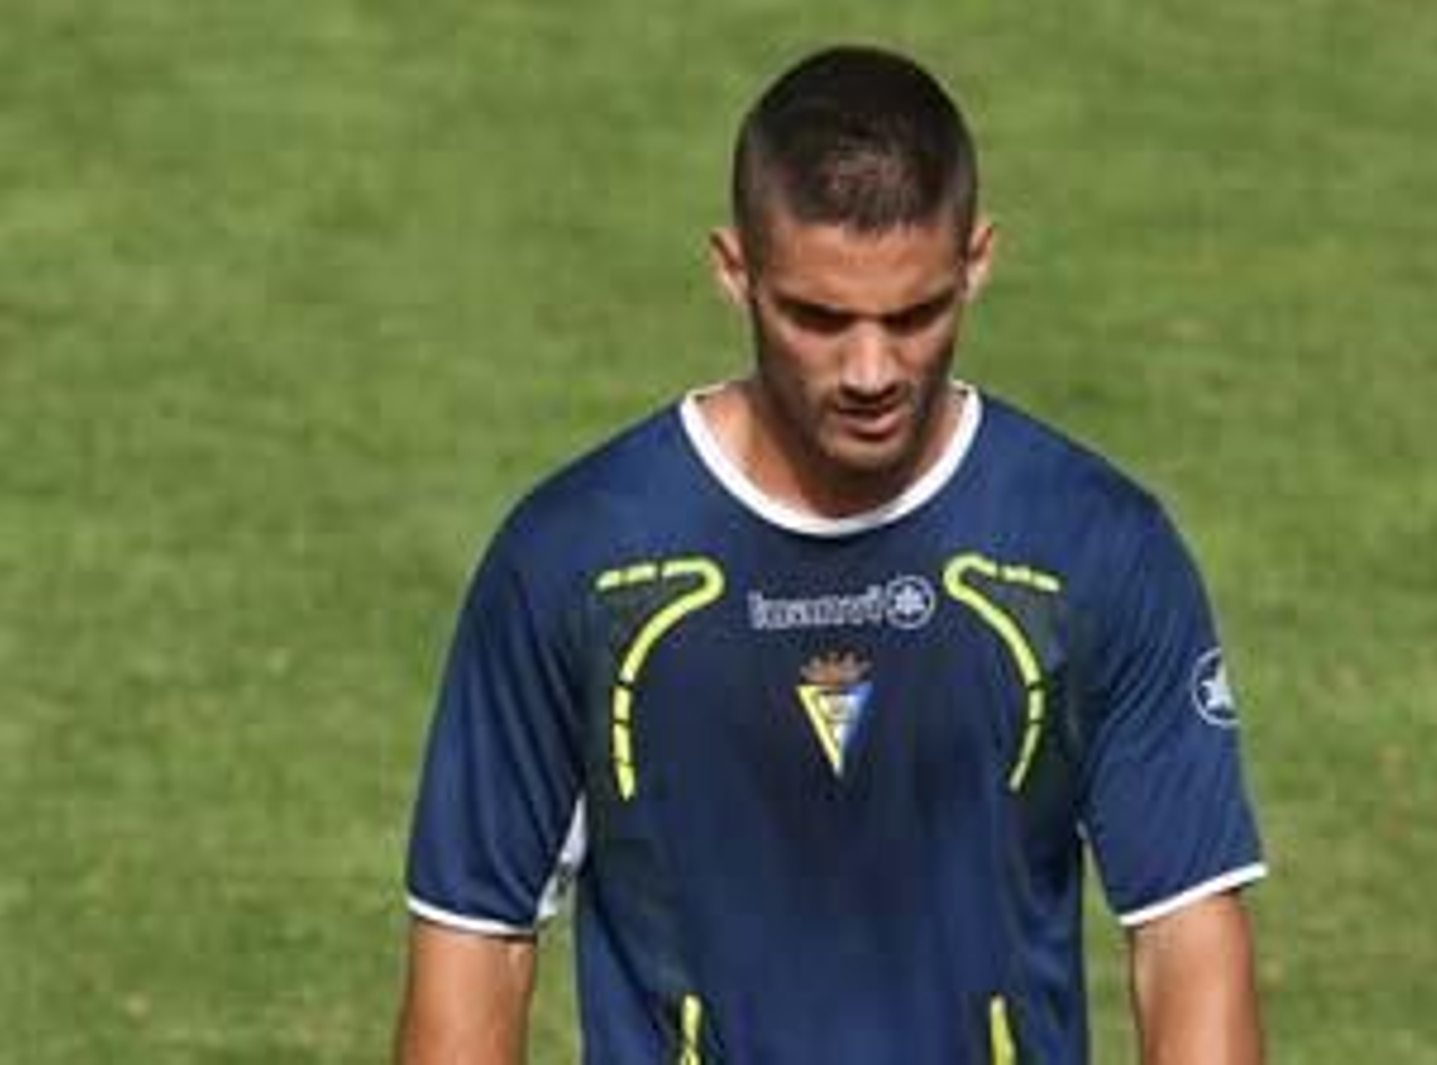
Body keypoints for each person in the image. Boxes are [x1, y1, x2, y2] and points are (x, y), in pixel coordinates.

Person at [394, 44, 1267, 1064]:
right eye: (816, 317)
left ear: (976, 262)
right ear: (734, 272)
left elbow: (1186, 938)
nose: (868, 369)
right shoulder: (578, 560)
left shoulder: (1093, 549)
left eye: (914, 315)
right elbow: (475, 938)